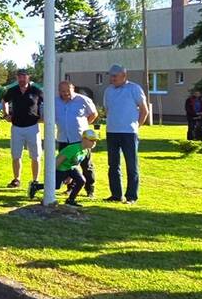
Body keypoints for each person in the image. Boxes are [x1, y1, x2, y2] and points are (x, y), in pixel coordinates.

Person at [101, 64, 148, 204]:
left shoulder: (134, 88)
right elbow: (107, 110)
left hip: (129, 132)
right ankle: (116, 194)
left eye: (115, 76)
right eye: (111, 76)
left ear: (124, 76)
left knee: (131, 165)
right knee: (113, 164)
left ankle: (131, 196)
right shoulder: (108, 91)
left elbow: (144, 111)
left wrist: (136, 126)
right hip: (112, 132)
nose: (112, 78)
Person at [30, 128, 99, 207]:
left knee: (81, 181)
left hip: (70, 168)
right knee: (56, 186)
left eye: (95, 140)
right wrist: (52, 174)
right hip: (61, 168)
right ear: (84, 139)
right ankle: (36, 186)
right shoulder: (73, 148)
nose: (94, 142)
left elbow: (76, 163)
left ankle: (71, 200)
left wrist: (70, 177)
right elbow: (58, 160)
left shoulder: (85, 150)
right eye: (91, 140)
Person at [52, 80, 97, 199]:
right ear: (59, 91)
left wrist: (83, 125)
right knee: (66, 165)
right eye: (62, 91)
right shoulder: (55, 102)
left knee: (86, 165)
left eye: (68, 91)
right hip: (63, 138)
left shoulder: (83, 100)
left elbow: (93, 114)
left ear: (73, 89)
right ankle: (70, 188)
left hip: (80, 139)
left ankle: (90, 189)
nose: (65, 93)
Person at [2, 69, 43, 189]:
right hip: (17, 127)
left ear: (28, 77)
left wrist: (43, 117)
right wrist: (6, 114)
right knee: (16, 155)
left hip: (33, 127)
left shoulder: (36, 90)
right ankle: (16, 179)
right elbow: (4, 100)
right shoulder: (12, 90)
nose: (21, 79)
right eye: (19, 77)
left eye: (24, 77)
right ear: (17, 78)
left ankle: (35, 180)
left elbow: (45, 103)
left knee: (35, 156)